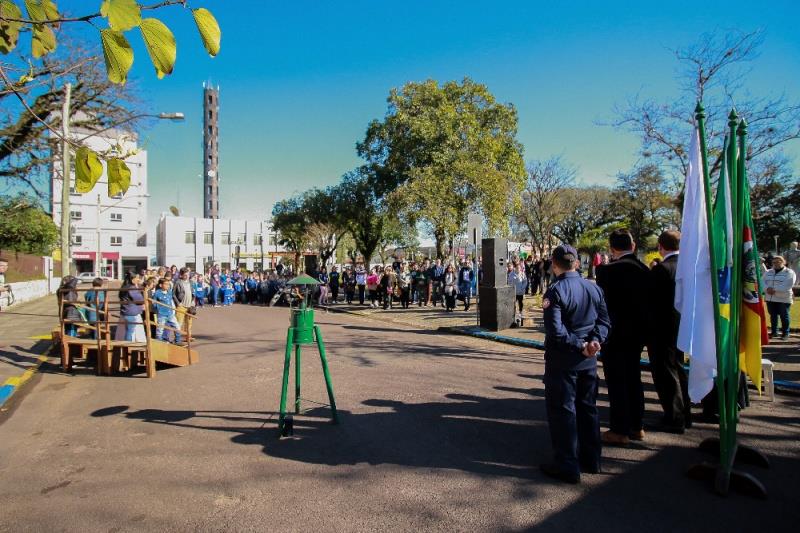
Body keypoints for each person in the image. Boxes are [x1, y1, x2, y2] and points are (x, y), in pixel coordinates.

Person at [540, 244, 610, 484]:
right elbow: (604, 321)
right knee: (588, 409)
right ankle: (592, 459)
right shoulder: (594, 289)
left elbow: (556, 331)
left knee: (563, 412)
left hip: (564, 361)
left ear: (554, 263)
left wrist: (582, 344)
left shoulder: (555, 291)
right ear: (577, 264)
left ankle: (567, 463)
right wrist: (595, 341)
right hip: (588, 360)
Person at [595, 229, 651, 444]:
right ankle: (637, 425)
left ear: (612, 249)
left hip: (615, 334)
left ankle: (620, 429)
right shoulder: (645, 270)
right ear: (633, 246)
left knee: (617, 382)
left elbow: (602, 306)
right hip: (638, 334)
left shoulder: (607, 271)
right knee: (634, 378)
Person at [647, 230, 691, 433]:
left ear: (660, 247)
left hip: (663, 327)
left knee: (666, 373)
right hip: (682, 325)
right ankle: (685, 412)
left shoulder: (662, 270)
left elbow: (651, 301)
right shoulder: (688, 267)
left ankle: (674, 417)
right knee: (679, 369)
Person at [763, 255, 796, 339]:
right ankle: (774, 332)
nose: (776, 264)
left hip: (783, 298)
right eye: (774, 262)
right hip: (770, 298)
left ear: (783, 262)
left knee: (784, 316)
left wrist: (774, 289)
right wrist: (767, 289)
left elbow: (788, 284)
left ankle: (785, 333)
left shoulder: (789, 272)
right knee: (773, 316)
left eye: (778, 261)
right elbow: (762, 282)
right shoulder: (768, 272)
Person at [153, 278, 181, 343]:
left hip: (170, 314)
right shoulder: (157, 293)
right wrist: (158, 308)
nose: (167, 286)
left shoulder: (169, 292)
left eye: (168, 284)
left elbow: (171, 301)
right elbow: (153, 303)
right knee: (160, 329)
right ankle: (159, 342)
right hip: (161, 314)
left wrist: (173, 310)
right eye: (166, 284)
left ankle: (177, 341)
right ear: (160, 285)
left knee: (177, 326)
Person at [118, 272, 145, 342]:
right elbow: (140, 300)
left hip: (125, 311)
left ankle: (128, 345)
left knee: (128, 330)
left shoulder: (123, 287)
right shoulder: (132, 288)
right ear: (132, 279)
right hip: (132, 312)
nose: (138, 280)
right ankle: (129, 346)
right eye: (136, 278)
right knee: (131, 331)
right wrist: (137, 288)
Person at [173, 268, 194, 340]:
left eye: (188, 274)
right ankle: (177, 338)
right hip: (181, 306)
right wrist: (178, 303)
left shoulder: (191, 282)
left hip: (189, 306)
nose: (187, 276)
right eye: (185, 275)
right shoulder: (178, 282)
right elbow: (173, 294)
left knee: (189, 323)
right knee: (179, 323)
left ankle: (188, 337)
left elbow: (192, 292)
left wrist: (193, 301)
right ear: (181, 275)